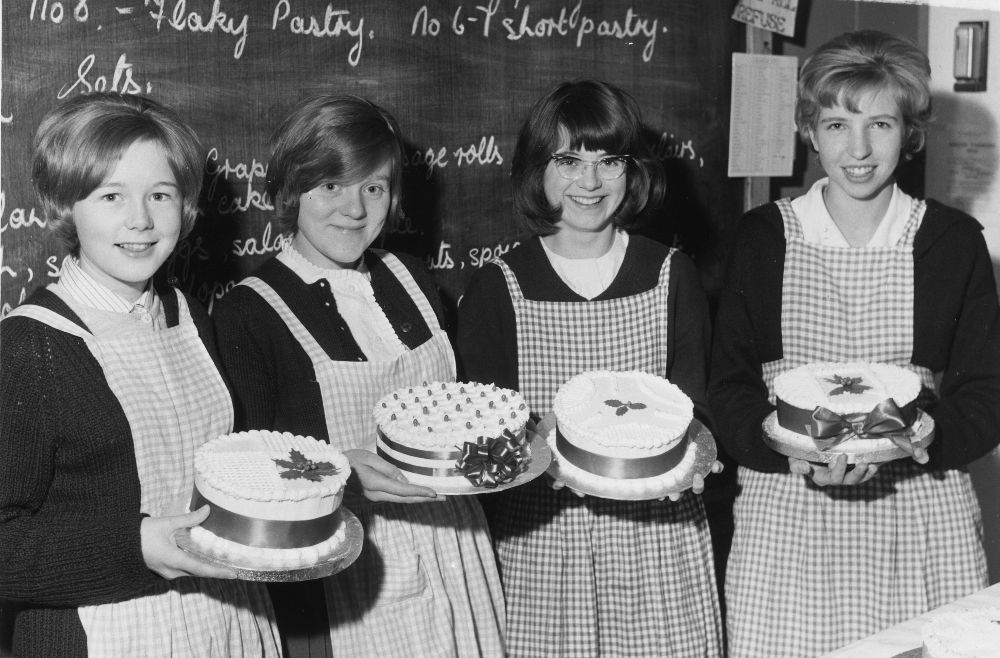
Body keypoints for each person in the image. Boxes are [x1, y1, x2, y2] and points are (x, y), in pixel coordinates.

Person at [710, 30, 1000, 657]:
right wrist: (790, 455)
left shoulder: (952, 242)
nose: (859, 149)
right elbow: (729, 386)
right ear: (809, 132)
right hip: (787, 519)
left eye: (881, 124)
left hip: (921, 516)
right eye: (838, 125)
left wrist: (913, 443)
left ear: (910, 132)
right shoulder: (763, 238)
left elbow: (986, 394)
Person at [211, 93, 506, 658]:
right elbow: (249, 479)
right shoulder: (248, 313)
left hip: (457, 547)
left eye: (373, 188)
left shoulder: (413, 278)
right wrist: (339, 473)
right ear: (290, 190)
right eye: (331, 186)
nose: (354, 209)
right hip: (350, 568)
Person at [0, 93, 280, 657]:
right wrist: (136, 545)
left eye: (160, 194)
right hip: (104, 634)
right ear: (66, 207)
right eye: (111, 196)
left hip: (228, 620)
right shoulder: (30, 347)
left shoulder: (190, 315)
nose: (141, 220)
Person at [457, 79, 724, 657]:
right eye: (569, 161)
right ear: (538, 170)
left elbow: (696, 404)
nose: (590, 181)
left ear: (632, 171)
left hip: (660, 539)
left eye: (610, 161)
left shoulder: (670, 275)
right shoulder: (499, 287)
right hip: (544, 542)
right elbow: (486, 434)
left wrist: (690, 464)